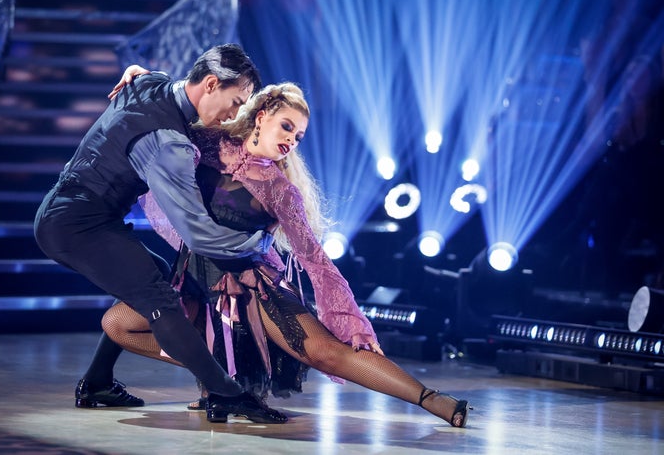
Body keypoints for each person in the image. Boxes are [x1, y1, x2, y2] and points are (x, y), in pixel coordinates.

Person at [100, 80, 471, 427]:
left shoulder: (280, 190)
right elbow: (181, 106)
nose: (293, 139)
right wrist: (144, 77)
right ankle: (216, 374)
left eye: (299, 135)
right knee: (117, 324)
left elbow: (315, 259)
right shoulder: (209, 146)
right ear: (261, 117)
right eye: (287, 127)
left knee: (326, 352)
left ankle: (432, 399)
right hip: (195, 282)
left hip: (250, 290)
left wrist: (351, 320)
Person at [34, 44, 286, 423]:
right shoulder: (169, 143)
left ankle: (97, 381)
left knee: (158, 272)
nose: (235, 114)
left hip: (77, 212)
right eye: (235, 103)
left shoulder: (151, 83)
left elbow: (147, 76)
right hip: (74, 224)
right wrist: (260, 244)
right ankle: (227, 393)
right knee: (158, 297)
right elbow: (199, 233)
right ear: (211, 83)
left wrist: (137, 69)